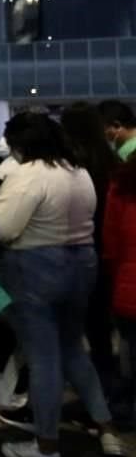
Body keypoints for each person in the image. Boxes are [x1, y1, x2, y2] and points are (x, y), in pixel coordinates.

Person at [0, 112, 128, 457]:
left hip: (36, 268)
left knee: (44, 358)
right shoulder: (77, 171)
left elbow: (3, 228)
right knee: (72, 351)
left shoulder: (27, 174)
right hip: (82, 265)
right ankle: (107, 428)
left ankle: (46, 445)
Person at [62, 102, 121, 394]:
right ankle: (109, 392)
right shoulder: (113, 162)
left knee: (73, 332)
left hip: (75, 251)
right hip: (108, 253)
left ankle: (91, 396)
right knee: (103, 332)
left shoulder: (69, 165)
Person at [103, 155, 136, 425]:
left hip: (127, 286)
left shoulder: (122, 184)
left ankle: (127, 407)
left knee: (129, 349)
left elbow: (111, 243)